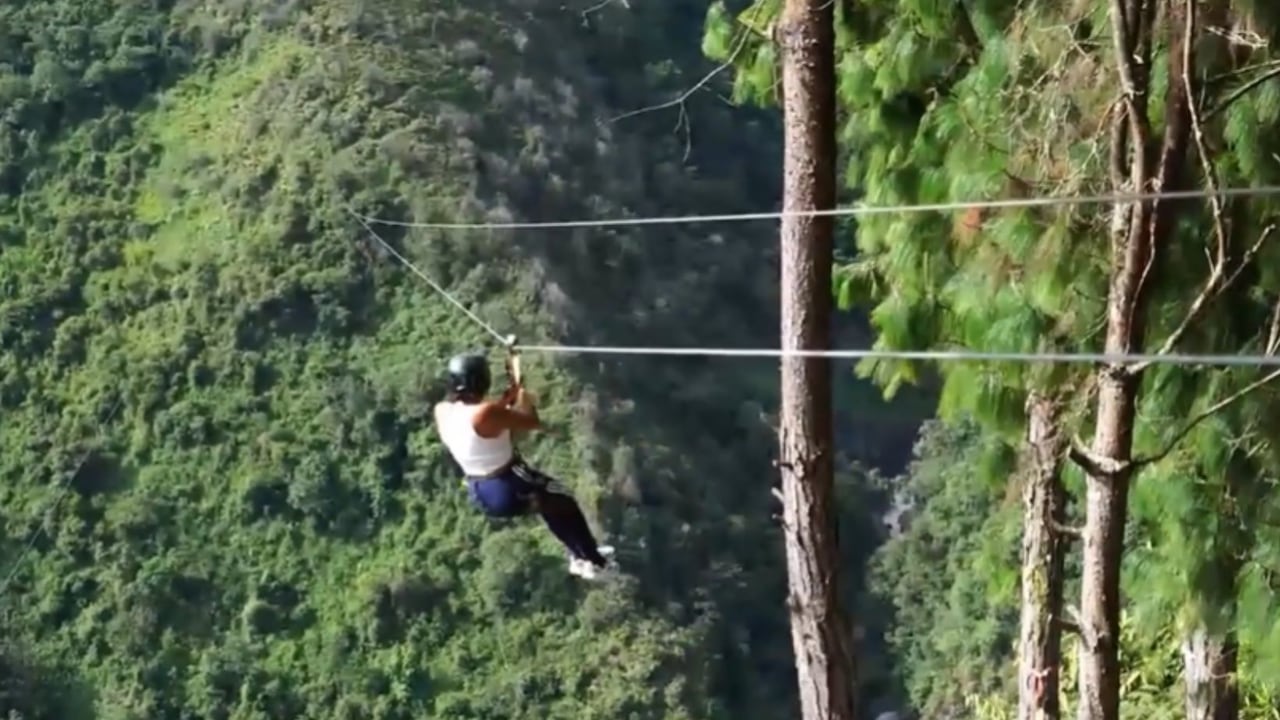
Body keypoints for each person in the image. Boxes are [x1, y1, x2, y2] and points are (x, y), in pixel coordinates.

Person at [434, 351, 614, 579]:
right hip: (506, 481)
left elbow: (486, 420)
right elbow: (530, 421)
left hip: (479, 490)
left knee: (550, 504)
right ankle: (595, 562)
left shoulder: (442, 411)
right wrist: (523, 396)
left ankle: (580, 557)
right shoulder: (486, 413)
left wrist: (510, 396)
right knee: (564, 498)